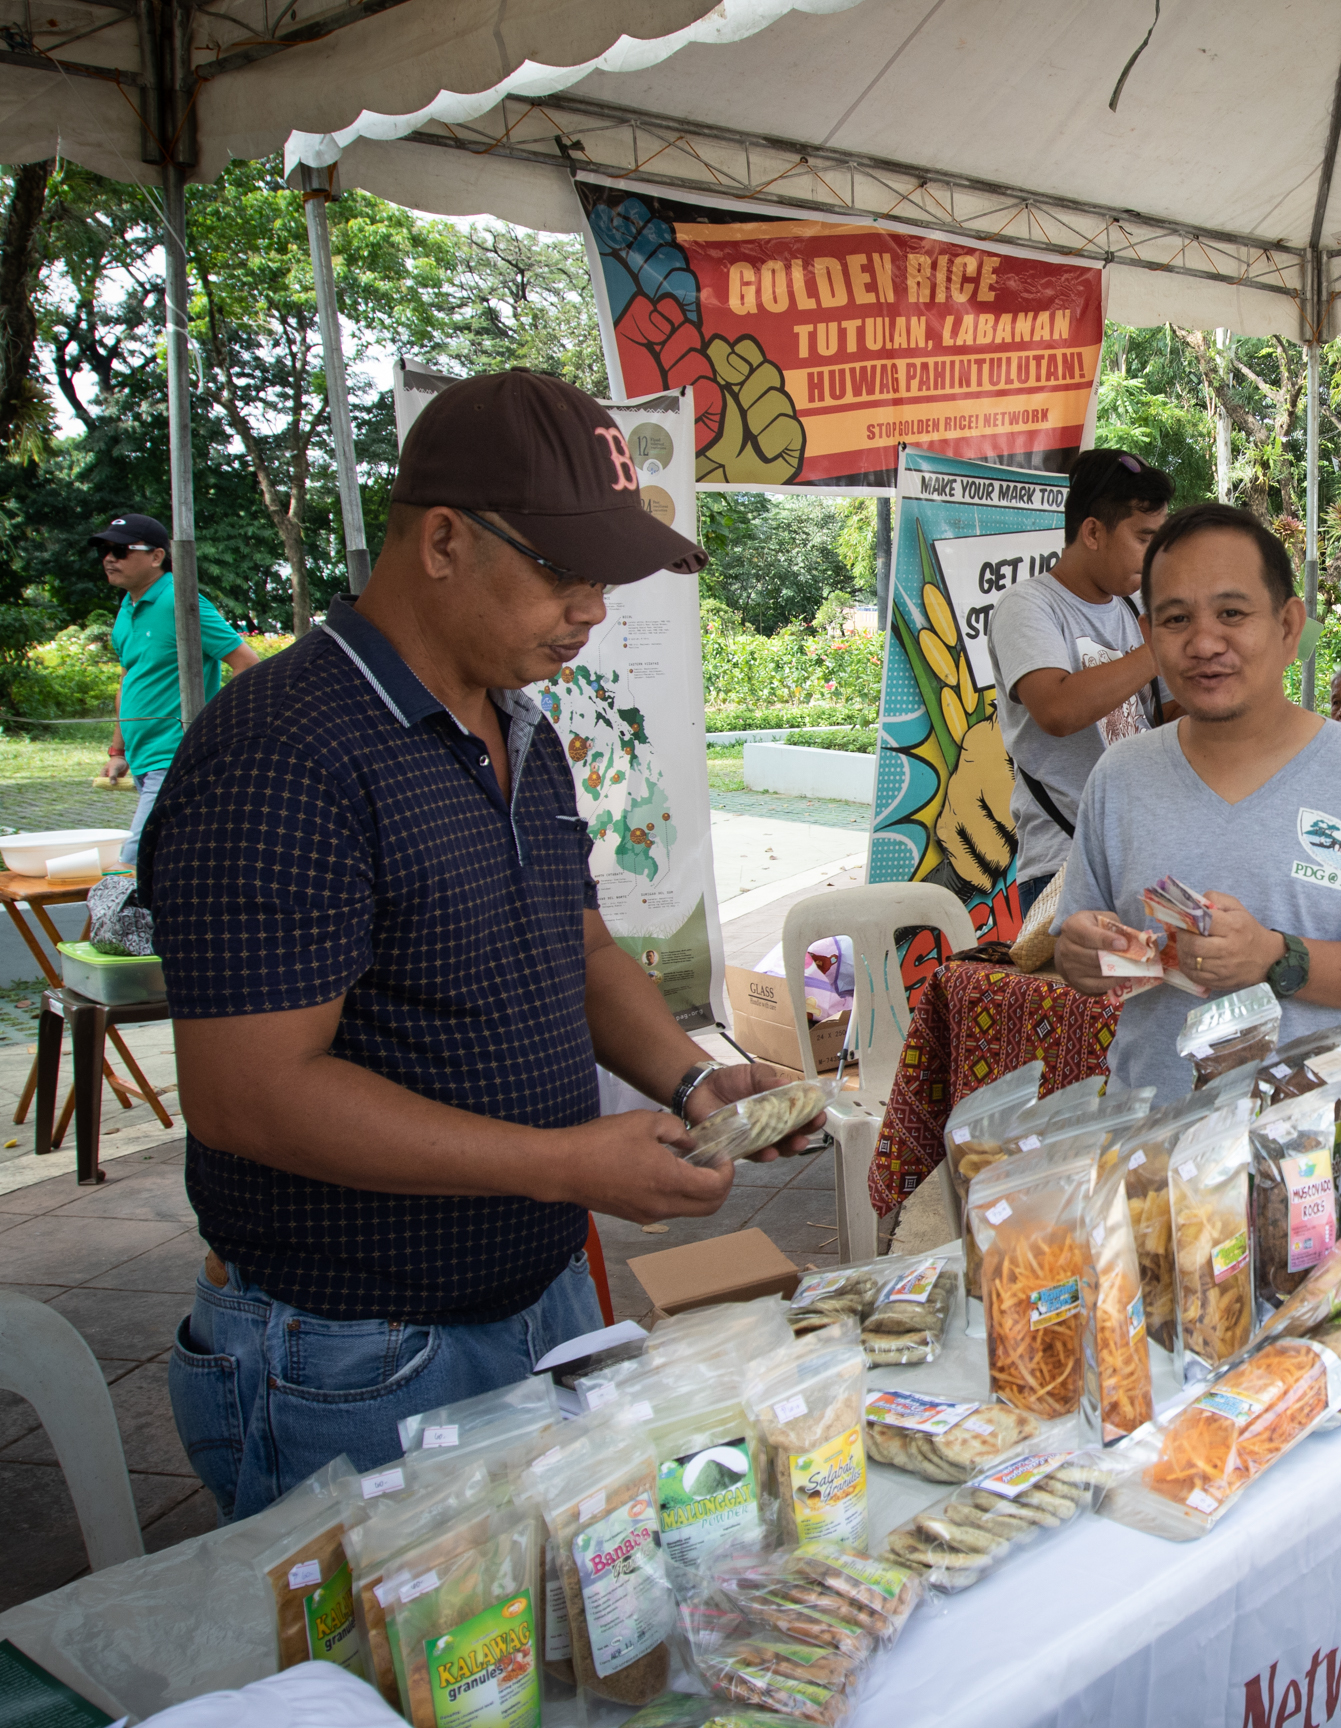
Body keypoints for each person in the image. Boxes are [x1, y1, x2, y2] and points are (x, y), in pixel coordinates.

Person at [144, 371, 820, 1521]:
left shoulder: (518, 725)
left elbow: (582, 945)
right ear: (444, 542)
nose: (593, 608)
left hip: (539, 1303)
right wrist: (566, 1163)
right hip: (357, 1350)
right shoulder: (283, 752)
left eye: (605, 577)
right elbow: (248, 1096)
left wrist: (697, 1079)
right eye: (563, 570)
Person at [1052, 504, 1341, 1102]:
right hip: (1159, 1140)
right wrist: (1082, 955)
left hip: (1323, 1146)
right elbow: (1075, 947)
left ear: (1289, 626)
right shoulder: (1120, 775)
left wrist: (1273, 955)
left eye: (1232, 614)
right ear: (1149, 637)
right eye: (1176, 618)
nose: (1205, 642)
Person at [992, 448, 1175, 918]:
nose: (1155, 556)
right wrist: (1160, 650)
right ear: (1093, 532)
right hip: (1063, 863)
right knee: (1076, 995)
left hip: (1143, 858)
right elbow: (1057, 710)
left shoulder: (1138, 612)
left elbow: (1171, 717)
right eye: (1144, 538)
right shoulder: (1029, 607)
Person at [90, 513, 262, 865]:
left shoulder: (181, 602)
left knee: (134, 861)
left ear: (156, 557)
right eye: (104, 550)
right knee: (179, 863)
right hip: (141, 759)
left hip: (176, 757)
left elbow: (247, 662)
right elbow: (129, 680)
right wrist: (116, 752)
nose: (109, 558)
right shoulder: (127, 607)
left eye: (121, 550)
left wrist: (221, 730)